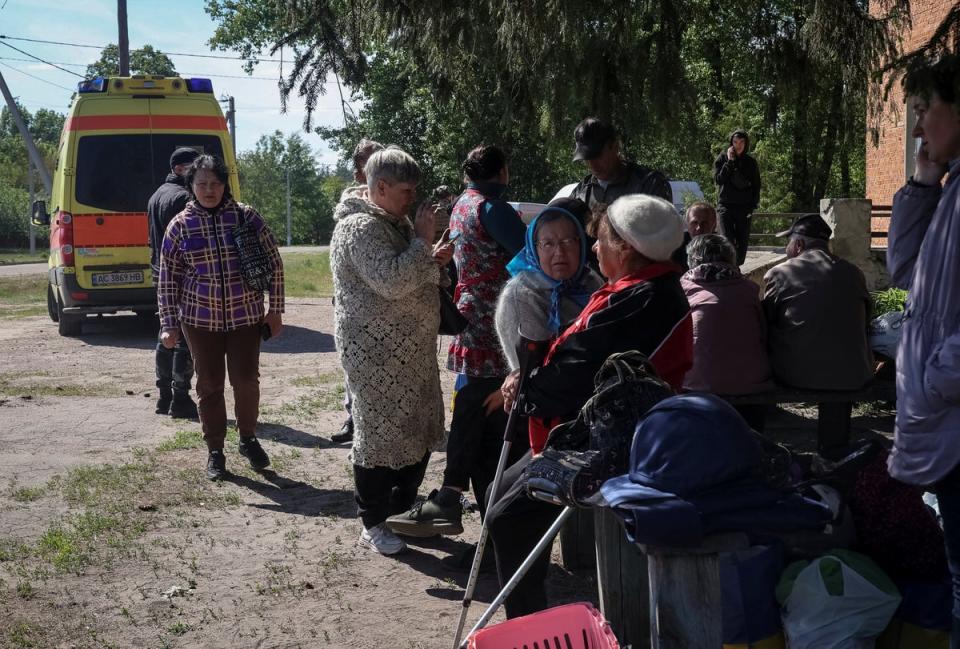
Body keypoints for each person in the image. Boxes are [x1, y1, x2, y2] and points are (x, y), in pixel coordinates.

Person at [488, 194, 693, 618]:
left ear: (626, 247)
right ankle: (529, 609)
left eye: (598, 240)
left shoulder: (642, 297)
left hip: (611, 441)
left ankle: (528, 623)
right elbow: (577, 357)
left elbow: (576, 373)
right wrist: (529, 381)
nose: (593, 248)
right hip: (592, 426)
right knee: (497, 494)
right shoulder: (638, 290)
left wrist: (527, 391)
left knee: (507, 516)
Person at [385, 144, 525, 538]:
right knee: (482, 409)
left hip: (470, 312)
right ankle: (465, 505)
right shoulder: (493, 209)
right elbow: (530, 255)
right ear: (502, 171)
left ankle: (454, 499)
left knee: (479, 412)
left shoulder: (463, 204)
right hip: (496, 317)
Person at [330, 146, 455, 556]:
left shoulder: (391, 220)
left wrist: (432, 254)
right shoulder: (358, 228)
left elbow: (414, 269)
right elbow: (391, 281)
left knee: (416, 429)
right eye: (406, 190)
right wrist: (422, 242)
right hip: (375, 356)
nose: (412, 200)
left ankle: (402, 513)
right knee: (379, 437)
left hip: (411, 351)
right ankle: (372, 521)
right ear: (380, 186)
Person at [885, 52, 960, 644]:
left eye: (923, 112)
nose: (915, 129)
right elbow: (903, 269)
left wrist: (938, 379)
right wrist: (919, 183)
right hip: (943, 420)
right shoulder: (950, 190)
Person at [157, 154, 284, 481]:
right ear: (191, 186)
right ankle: (215, 451)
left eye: (215, 183)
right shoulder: (180, 226)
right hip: (200, 321)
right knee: (209, 385)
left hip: (245, 317)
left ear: (225, 185)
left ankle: (248, 438)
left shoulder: (246, 218)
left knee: (246, 381)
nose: (209, 190)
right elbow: (168, 279)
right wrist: (168, 325)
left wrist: (275, 310)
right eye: (202, 184)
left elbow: (274, 263)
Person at [762, 213, 873, 391]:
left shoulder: (780, 274)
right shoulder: (854, 273)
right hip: (855, 376)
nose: (786, 247)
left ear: (799, 245)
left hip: (797, 377)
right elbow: (866, 320)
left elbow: (765, 323)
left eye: (788, 242)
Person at [681, 234, 772, 430]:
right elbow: (764, 335)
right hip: (752, 382)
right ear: (731, 259)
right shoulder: (749, 290)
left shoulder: (683, 290)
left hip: (698, 385)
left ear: (691, 260)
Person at [331, 138, 385, 445]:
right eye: (368, 162)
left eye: (379, 159)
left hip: (384, 297)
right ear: (358, 171)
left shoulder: (394, 199)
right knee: (354, 359)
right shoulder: (351, 201)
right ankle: (353, 417)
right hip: (353, 297)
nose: (375, 165)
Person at [148, 146, 201, 419]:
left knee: (165, 333)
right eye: (194, 168)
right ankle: (180, 397)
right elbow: (189, 243)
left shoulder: (157, 194)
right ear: (181, 169)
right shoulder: (182, 198)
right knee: (183, 339)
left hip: (160, 273)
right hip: (181, 276)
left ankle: (163, 396)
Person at [569, 117, 673, 216]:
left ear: (615, 147)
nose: (592, 164)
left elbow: (662, 230)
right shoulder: (581, 192)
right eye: (586, 158)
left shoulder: (649, 184)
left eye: (597, 156)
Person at [713, 129, 761, 266]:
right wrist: (730, 162)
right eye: (735, 142)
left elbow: (756, 185)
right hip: (725, 206)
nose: (738, 145)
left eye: (741, 142)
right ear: (731, 143)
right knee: (726, 239)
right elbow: (719, 180)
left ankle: (737, 267)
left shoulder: (750, 162)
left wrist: (753, 205)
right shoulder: (722, 158)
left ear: (746, 143)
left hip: (744, 207)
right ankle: (728, 267)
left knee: (742, 241)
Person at [671, 200, 719, 270]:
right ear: (687, 224)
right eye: (694, 222)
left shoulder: (723, 247)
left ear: (714, 225)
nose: (699, 228)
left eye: (704, 223)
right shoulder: (675, 246)